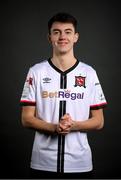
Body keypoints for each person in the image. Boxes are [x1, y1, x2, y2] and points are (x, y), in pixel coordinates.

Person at [20, 12, 107, 179]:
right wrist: (55, 128)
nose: (62, 37)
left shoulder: (89, 73)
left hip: (80, 164)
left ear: (76, 37)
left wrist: (73, 126)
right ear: (49, 37)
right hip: (43, 163)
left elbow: (99, 121)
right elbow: (26, 119)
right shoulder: (36, 72)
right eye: (56, 32)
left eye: (68, 32)